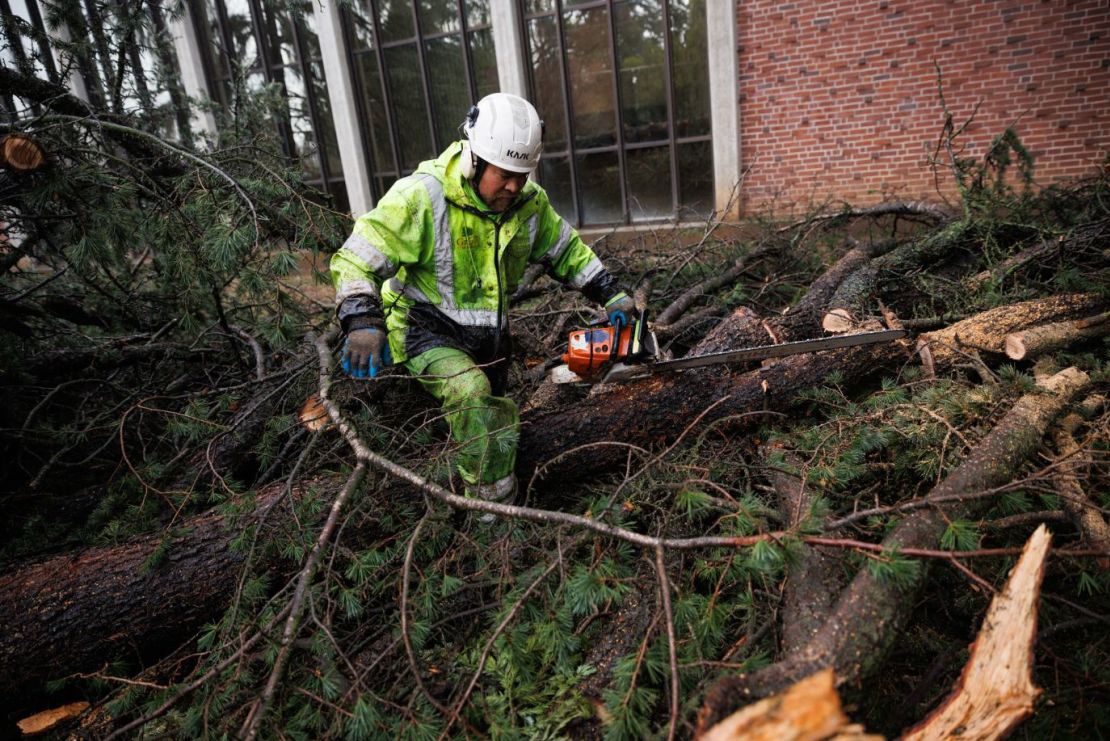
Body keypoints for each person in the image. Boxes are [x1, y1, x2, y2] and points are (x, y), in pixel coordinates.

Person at [330, 92, 634, 512]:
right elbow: (355, 257)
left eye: (522, 174)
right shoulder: (422, 197)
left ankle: (467, 479)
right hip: (424, 329)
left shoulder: (528, 205)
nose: (513, 185)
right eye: (504, 173)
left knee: (487, 423)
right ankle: (491, 514)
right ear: (475, 159)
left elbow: (566, 251)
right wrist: (362, 319)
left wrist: (611, 292)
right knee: (473, 394)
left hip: (491, 340)